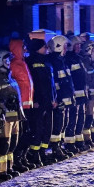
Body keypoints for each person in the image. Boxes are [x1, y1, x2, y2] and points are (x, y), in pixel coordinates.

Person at [0, 48, 25, 180]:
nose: (9, 62)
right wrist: (3, 102)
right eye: (6, 60)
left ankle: (9, 167)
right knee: (3, 144)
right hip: (5, 118)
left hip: (15, 116)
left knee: (12, 143)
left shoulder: (9, 77)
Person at [26, 38, 56, 166]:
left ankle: (43, 152)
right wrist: (35, 100)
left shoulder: (46, 61)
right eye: (44, 47)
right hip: (38, 101)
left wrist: (54, 98)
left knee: (47, 128)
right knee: (38, 128)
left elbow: (51, 82)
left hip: (48, 100)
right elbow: (34, 84)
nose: (47, 49)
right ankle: (35, 154)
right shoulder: (31, 62)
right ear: (38, 48)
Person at [46, 35, 74, 161]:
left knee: (63, 123)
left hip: (65, 98)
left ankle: (60, 146)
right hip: (59, 99)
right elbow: (55, 83)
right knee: (57, 125)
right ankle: (55, 148)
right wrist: (58, 99)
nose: (66, 49)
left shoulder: (61, 60)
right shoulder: (54, 61)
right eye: (65, 46)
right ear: (59, 47)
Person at [8, 38, 34, 171]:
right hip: (20, 107)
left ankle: (23, 157)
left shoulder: (23, 63)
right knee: (21, 134)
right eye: (23, 47)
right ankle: (17, 159)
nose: (25, 50)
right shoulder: (13, 65)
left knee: (27, 133)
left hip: (28, 105)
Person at [65, 36, 89, 152]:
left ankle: (79, 141)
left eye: (80, 45)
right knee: (73, 118)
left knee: (80, 117)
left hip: (81, 93)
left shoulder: (78, 59)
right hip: (74, 94)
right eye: (77, 45)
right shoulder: (68, 60)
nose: (79, 47)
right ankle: (70, 144)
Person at [79, 40, 94, 146]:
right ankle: (87, 138)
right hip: (90, 95)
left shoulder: (93, 64)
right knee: (89, 116)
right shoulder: (85, 63)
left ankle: (93, 135)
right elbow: (86, 80)